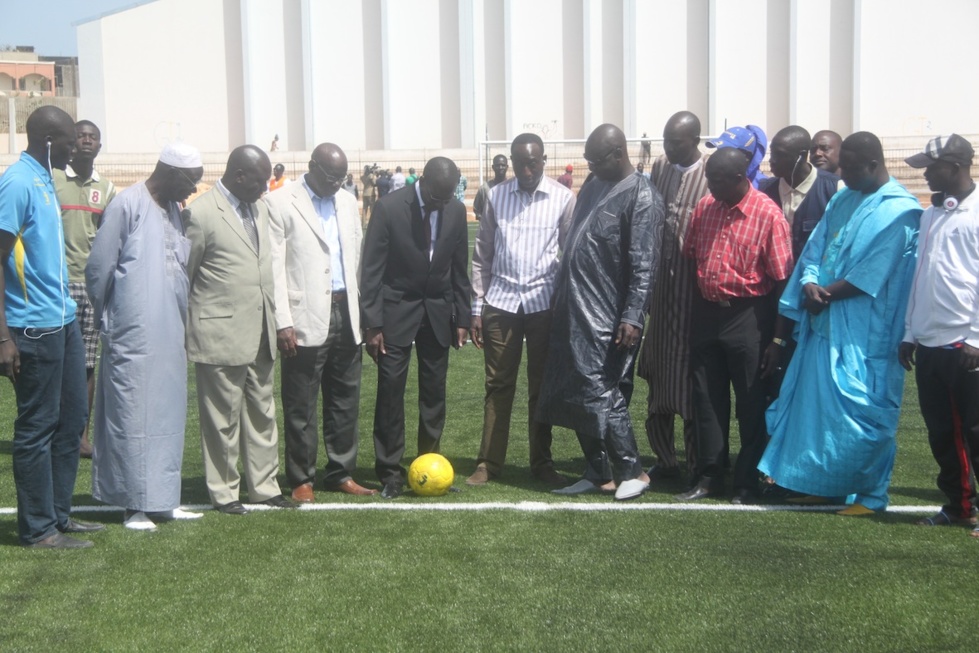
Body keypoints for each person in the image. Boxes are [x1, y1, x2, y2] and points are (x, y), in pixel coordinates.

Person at [759, 132, 921, 515]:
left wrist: (823, 293)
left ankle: (871, 494)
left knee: (865, 411)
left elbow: (872, 274)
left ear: (873, 165)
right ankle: (829, 486)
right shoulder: (843, 198)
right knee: (820, 412)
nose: (841, 174)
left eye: (848, 168)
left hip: (867, 333)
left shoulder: (901, 211)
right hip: (824, 322)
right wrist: (809, 282)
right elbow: (815, 249)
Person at [537, 123, 663, 501]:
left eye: (596, 160)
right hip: (573, 306)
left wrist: (631, 315)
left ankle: (632, 471)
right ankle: (597, 471)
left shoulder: (642, 196)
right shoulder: (593, 185)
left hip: (608, 314)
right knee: (571, 387)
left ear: (618, 154)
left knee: (601, 387)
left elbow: (644, 265)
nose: (591, 167)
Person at [86, 141, 206, 530]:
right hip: (132, 333)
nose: (192, 191)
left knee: (166, 415)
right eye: (191, 182)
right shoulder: (127, 204)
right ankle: (133, 505)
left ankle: (162, 499)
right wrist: (112, 318)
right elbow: (98, 270)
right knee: (132, 416)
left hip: (170, 331)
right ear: (171, 173)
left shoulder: (173, 209)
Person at [0, 105, 103, 549]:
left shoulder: (45, 178)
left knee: (72, 418)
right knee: (37, 426)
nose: (74, 146)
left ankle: (59, 516)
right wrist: (4, 336)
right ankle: (38, 528)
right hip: (31, 327)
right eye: (67, 141)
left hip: (62, 321)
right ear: (47, 141)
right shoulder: (18, 182)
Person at [677, 147, 793, 504]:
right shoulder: (705, 208)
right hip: (708, 313)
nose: (709, 186)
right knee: (706, 400)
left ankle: (746, 482)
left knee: (750, 402)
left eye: (716, 180)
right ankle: (709, 475)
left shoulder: (768, 215)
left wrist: (777, 339)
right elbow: (691, 257)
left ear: (740, 178)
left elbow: (783, 282)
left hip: (749, 317)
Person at [183, 145, 294, 515]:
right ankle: (225, 491)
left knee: (263, 412)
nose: (266, 187)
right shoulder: (200, 213)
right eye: (260, 180)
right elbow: (186, 275)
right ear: (239, 175)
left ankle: (264, 486)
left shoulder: (260, 207)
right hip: (219, 333)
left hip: (261, 328)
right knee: (221, 418)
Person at [267, 143, 375, 501]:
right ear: (312, 167)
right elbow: (273, 269)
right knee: (302, 401)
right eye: (331, 177)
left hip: (347, 311)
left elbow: (354, 255)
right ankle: (301, 477)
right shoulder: (281, 201)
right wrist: (283, 321)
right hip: (304, 314)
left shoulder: (346, 200)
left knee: (345, 397)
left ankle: (341, 471)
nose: (336, 184)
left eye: (341, 178)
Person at [466, 133, 575, 487]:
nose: (527, 170)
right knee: (498, 385)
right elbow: (482, 256)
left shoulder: (562, 198)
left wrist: (565, 304)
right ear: (510, 162)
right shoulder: (495, 197)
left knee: (541, 387)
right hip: (501, 303)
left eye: (533, 162)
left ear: (544, 160)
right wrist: (477, 307)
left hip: (544, 305)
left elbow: (569, 255)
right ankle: (487, 463)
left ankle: (541, 463)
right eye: (520, 163)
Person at [360, 157, 472, 499]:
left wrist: (463, 318)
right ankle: (390, 471)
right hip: (395, 313)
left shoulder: (454, 211)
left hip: (438, 313)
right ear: (422, 181)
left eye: (448, 195)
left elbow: (458, 269)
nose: (442, 203)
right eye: (438, 196)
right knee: (391, 391)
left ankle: (429, 463)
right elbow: (372, 271)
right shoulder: (390, 209)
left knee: (434, 393)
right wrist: (373, 323)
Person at [899, 134, 979, 532]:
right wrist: (910, 332)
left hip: (966, 343)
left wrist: (977, 338)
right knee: (942, 435)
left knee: (976, 432)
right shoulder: (930, 215)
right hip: (929, 342)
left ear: (956, 165)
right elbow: (920, 277)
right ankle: (959, 505)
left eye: (931, 167)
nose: (925, 174)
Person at [636, 110, 710, 484]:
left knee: (693, 386)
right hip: (661, 299)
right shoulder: (661, 167)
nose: (667, 148)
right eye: (665, 141)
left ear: (694, 140)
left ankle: (700, 466)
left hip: (696, 299)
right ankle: (665, 461)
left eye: (675, 142)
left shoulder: (712, 172)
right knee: (658, 381)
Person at [52, 119, 116, 459]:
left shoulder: (106, 190)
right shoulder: (53, 180)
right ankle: (51, 430)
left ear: (99, 146)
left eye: (93, 137)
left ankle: (80, 434)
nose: (87, 141)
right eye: (81, 136)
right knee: (53, 361)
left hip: (89, 288)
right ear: (71, 143)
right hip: (55, 285)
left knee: (87, 365)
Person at [760, 125, 841, 259]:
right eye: (772, 153)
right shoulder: (765, 191)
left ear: (801, 156)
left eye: (779, 154)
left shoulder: (835, 189)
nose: (772, 160)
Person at [705, 124, 770, 188]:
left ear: (746, 157)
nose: (720, 156)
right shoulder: (713, 182)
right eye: (718, 150)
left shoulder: (763, 187)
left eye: (725, 152)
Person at [473, 154, 508, 220]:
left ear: (507, 167)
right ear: (493, 167)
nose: (500, 167)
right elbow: (477, 210)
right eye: (498, 165)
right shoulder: (484, 188)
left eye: (503, 165)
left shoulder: (511, 187)